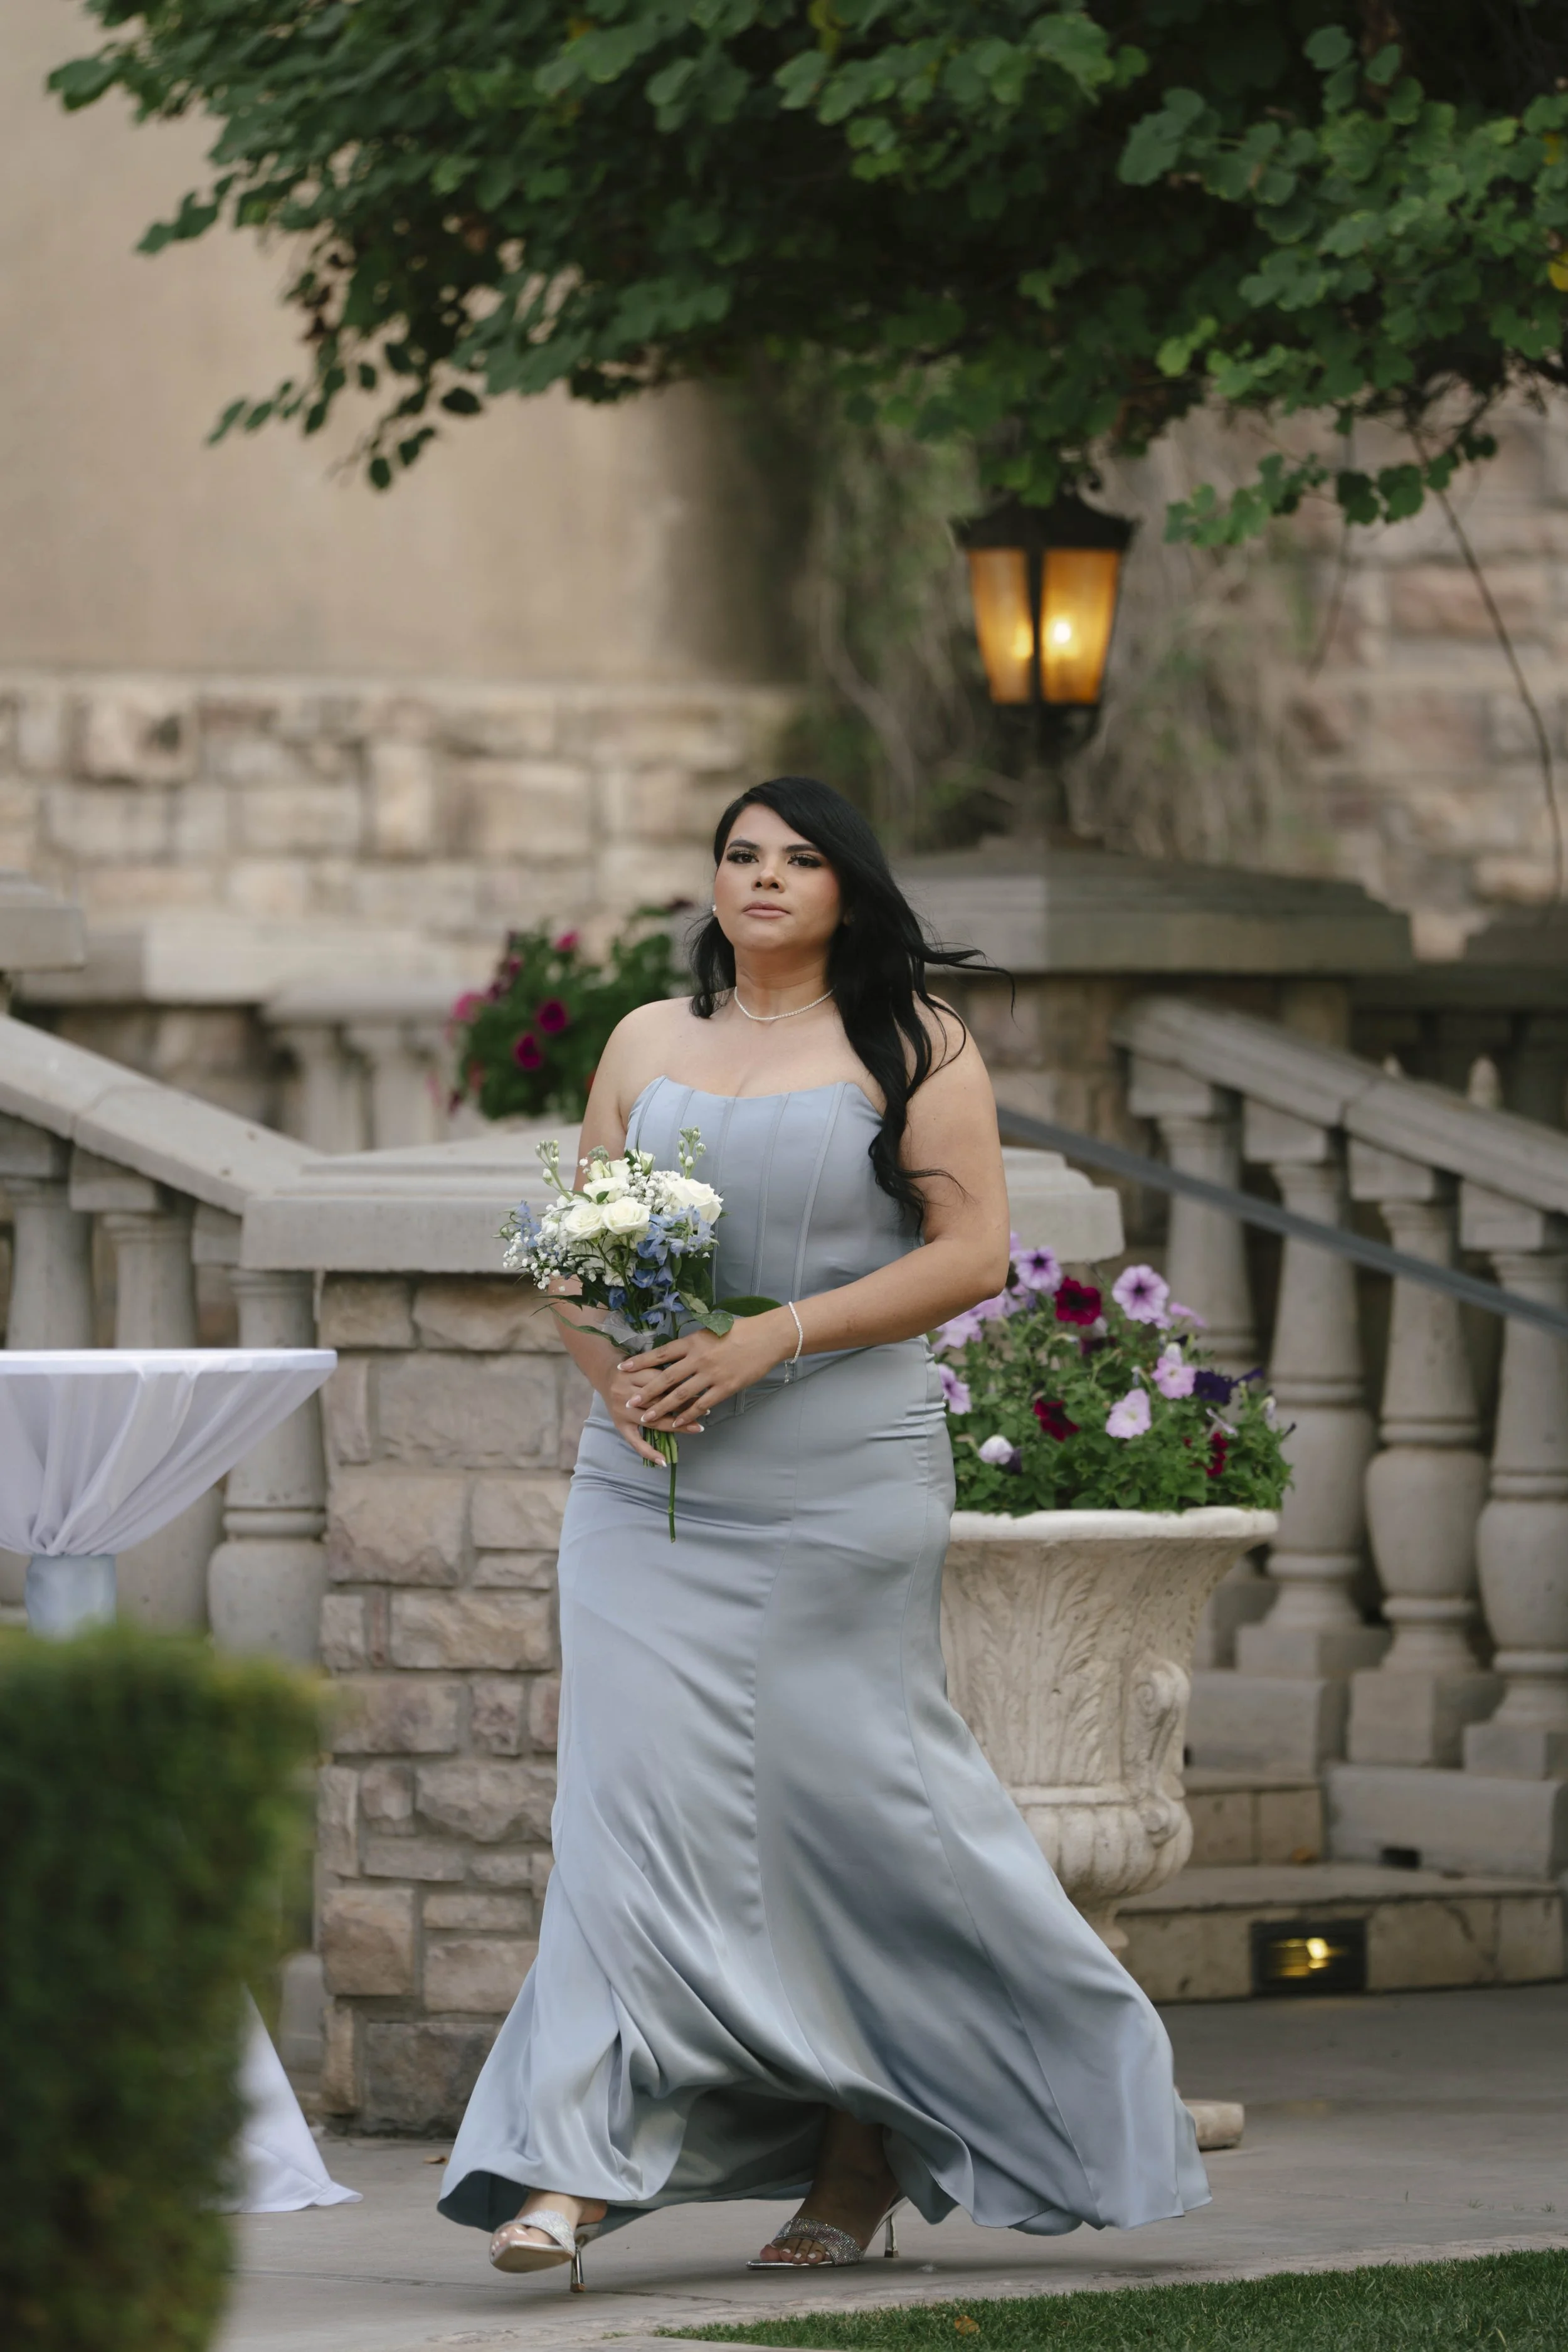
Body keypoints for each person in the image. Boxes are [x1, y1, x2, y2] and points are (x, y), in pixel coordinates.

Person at [438, 776, 1208, 2282]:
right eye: (739, 854)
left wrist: (766, 1341)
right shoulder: (643, 1042)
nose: (765, 878)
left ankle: (858, 2159)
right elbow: (576, 1253)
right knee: (619, 1818)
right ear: (710, 883)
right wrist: (627, 1383)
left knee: (854, 1828)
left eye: (798, 858)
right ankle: (567, 2162)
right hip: (642, 1485)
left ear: (846, 885)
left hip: (838, 1482)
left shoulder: (915, 1045)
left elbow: (971, 1251)